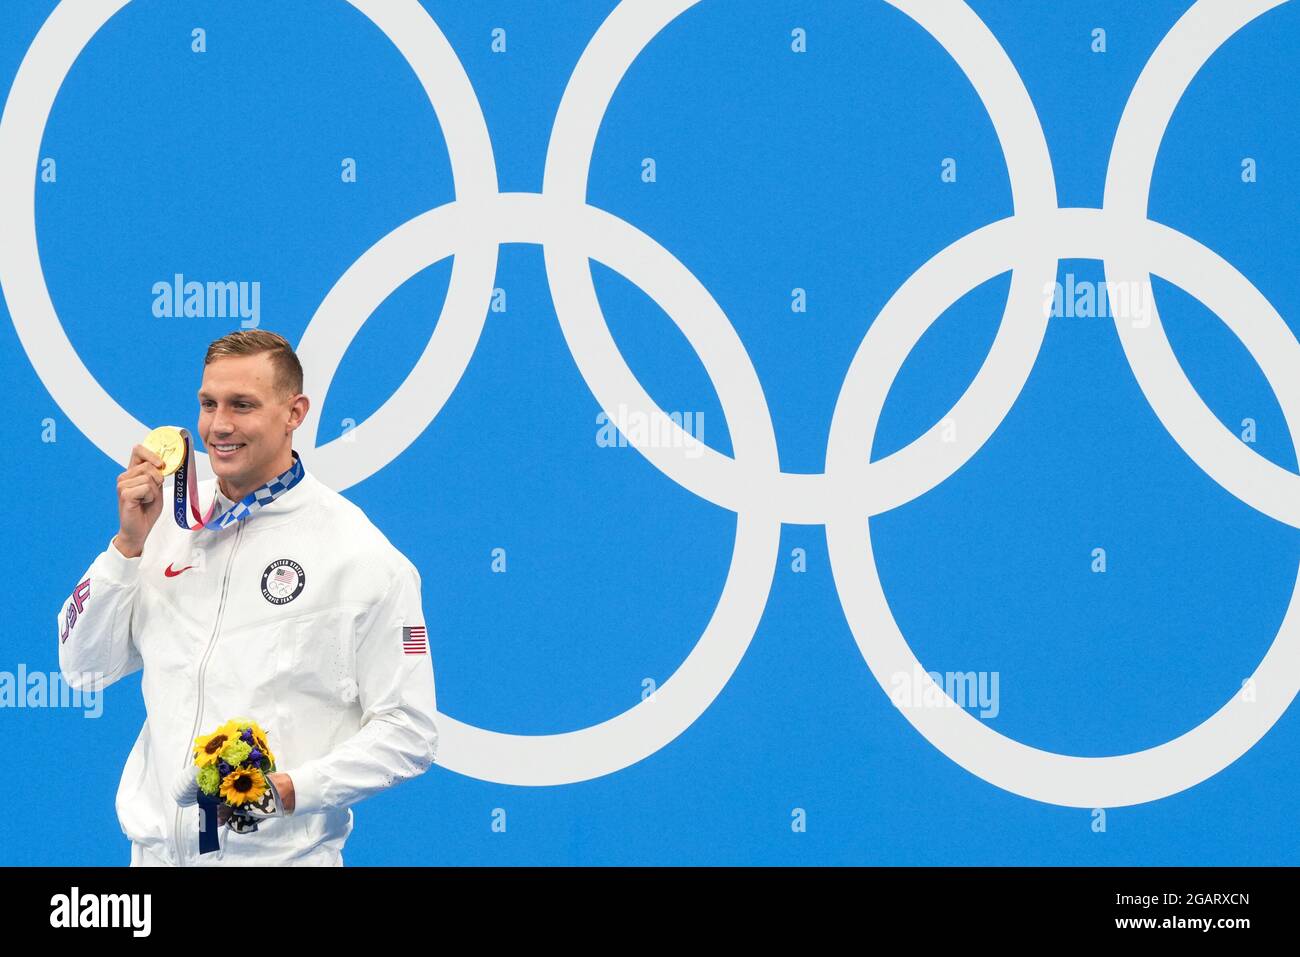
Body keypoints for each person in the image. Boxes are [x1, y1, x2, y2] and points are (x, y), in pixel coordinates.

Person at [55, 330, 440, 866]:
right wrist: (127, 548)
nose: (219, 426)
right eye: (208, 404)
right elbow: (84, 669)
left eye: (243, 405)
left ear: (294, 412)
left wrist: (291, 790)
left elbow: (410, 731)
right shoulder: (166, 522)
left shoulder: (362, 557)